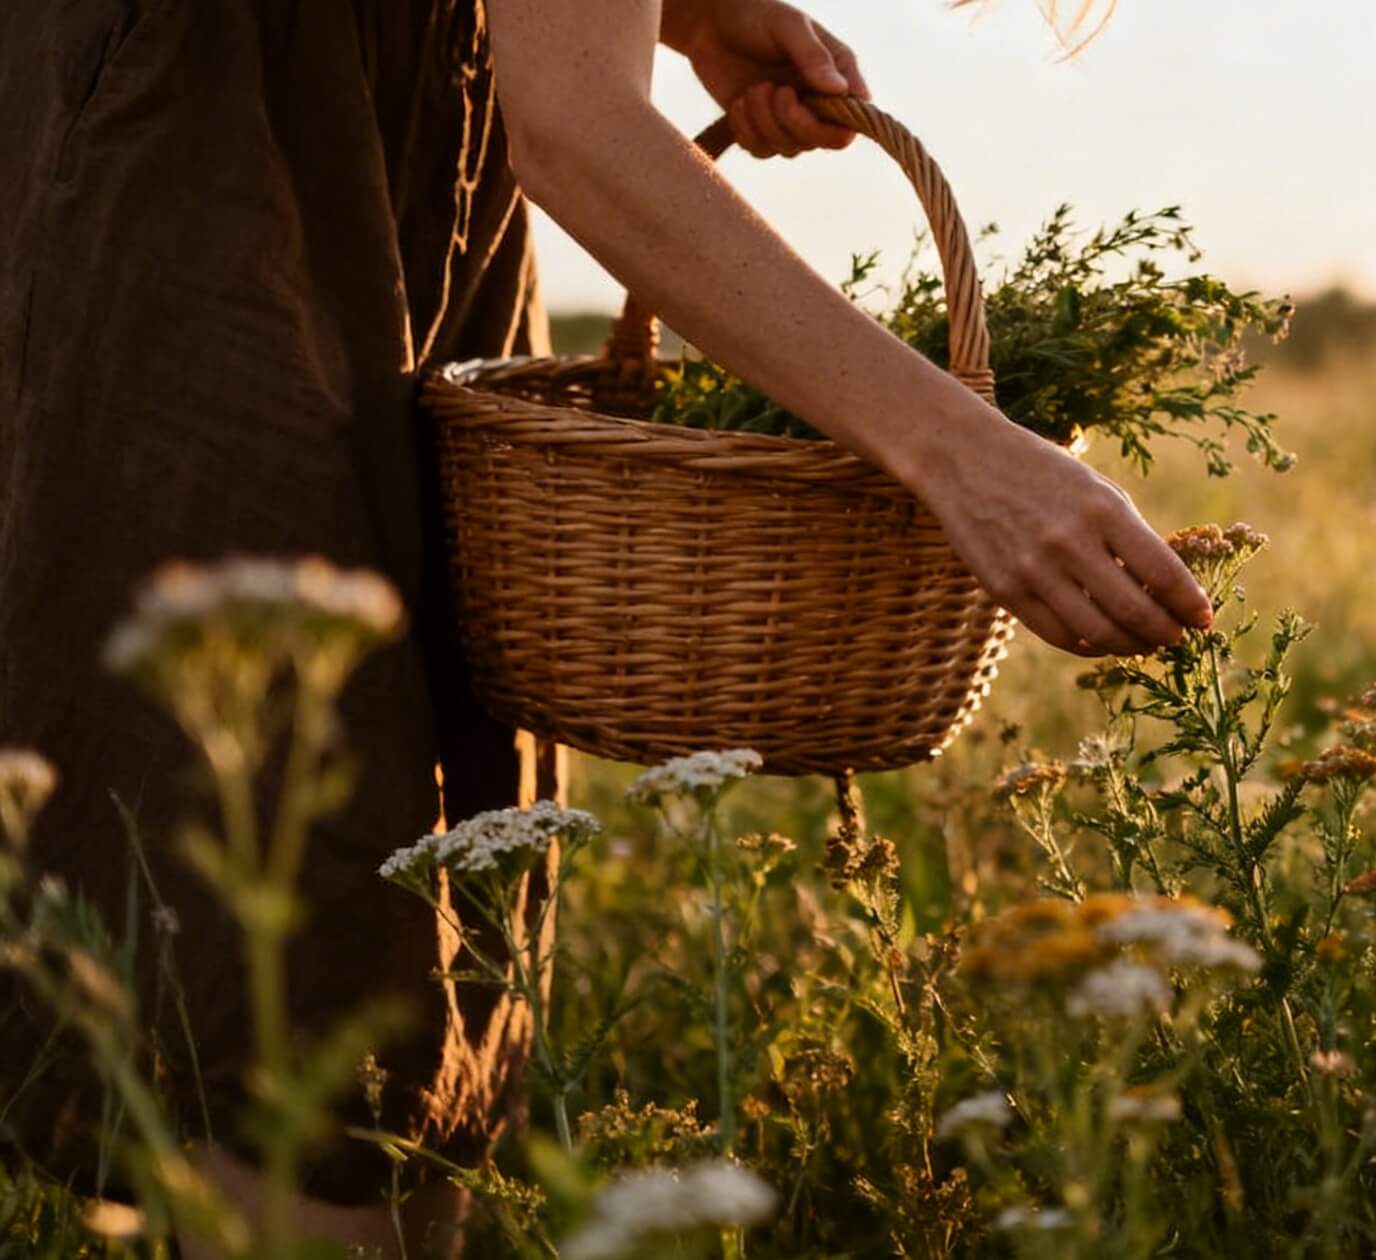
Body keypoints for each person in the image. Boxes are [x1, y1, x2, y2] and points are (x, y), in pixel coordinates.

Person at [0, 0, 1206, 1253]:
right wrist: (958, 453)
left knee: (430, 896)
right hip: (216, 152)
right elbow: (580, 133)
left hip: (398, 125)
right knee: (305, 925)